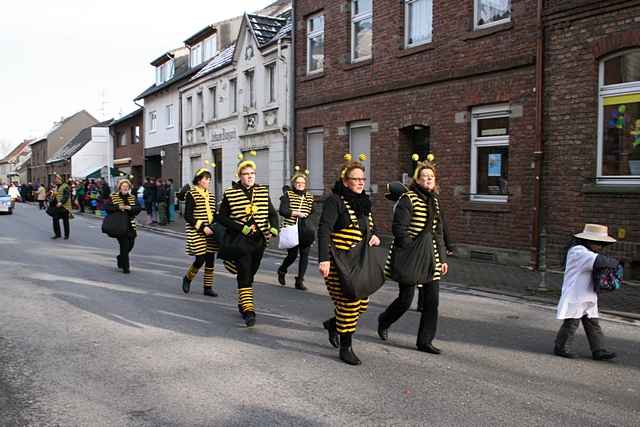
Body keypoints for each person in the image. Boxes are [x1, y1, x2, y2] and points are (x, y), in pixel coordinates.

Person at [378, 154, 449, 355]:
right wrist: (410, 249)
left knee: (431, 301)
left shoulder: (435, 201)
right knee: (405, 299)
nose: (428, 180)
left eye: (431, 177)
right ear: (416, 179)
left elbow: (438, 232)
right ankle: (384, 320)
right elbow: (399, 228)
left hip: (431, 257)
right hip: (410, 255)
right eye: (424, 176)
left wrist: (442, 258)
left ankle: (425, 341)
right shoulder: (407, 199)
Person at [318, 154, 381, 365]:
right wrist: (323, 260)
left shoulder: (364, 203)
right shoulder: (335, 201)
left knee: (362, 303)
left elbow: (370, 228)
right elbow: (324, 229)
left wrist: (373, 235)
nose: (361, 182)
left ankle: (333, 324)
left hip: (359, 261)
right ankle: (346, 347)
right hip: (339, 262)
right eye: (356, 179)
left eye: (363, 178)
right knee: (349, 303)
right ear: (346, 181)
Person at [217, 152, 279, 327]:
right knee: (244, 271)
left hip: (259, 240)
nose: (250, 177)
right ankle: (249, 311)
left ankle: (242, 301)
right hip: (240, 240)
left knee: (251, 272)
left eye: (252, 174)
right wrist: (241, 227)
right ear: (239, 176)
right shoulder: (230, 193)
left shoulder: (262, 191)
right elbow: (221, 218)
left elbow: (273, 215)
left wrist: (274, 228)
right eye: (246, 174)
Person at [554, 224, 619, 361]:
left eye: (603, 244)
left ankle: (599, 351)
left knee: (593, 324)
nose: (601, 247)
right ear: (588, 241)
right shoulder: (578, 251)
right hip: (575, 294)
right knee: (571, 323)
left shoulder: (587, 252)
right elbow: (602, 261)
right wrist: (617, 263)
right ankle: (561, 348)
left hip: (587, 294)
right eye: (599, 243)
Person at [181, 168, 219, 297]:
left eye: (209, 179)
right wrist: (202, 227)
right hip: (197, 230)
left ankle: (208, 287)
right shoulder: (191, 194)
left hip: (210, 231)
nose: (208, 181)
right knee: (200, 259)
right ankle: (187, 278)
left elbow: (213, 214)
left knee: (210, 260)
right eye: (206, 179)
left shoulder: (211, 196)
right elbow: (188, 216)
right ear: (198, 180)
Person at [277, 167, 315, 290]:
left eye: (303, 183)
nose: (300, 185)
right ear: (294, 183)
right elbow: (283, 211)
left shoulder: (309, 196)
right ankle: (282, 270)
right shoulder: (287, 195)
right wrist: (296, 213)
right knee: (292, 255)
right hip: (291, 228)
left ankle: (299, 280)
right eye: (298, 183)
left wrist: (306, 218)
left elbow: (312, 210)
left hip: (305, 229)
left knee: (305, 255)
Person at [104, 179, 141, 274]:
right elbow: (107, 208)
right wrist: (118, 207)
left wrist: (130, 208)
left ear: (129, 188)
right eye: (123, 186)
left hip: (130, 225)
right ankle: (126, 267)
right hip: (119, 225)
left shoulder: (132, 198)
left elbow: (138, 208)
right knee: (124, 245)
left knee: (131, 244)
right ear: (120, 187)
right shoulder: (114, 197)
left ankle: (121, 257)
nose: (125, 188)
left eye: (127, 186)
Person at [50, 174, 71, 240]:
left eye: (57, 178)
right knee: (55, 219)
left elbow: (66, 196)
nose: (55, 180)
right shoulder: (56, 187)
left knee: (65, 221)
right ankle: (57, 234)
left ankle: (66, 235)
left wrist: (61, 202)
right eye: (55, 179)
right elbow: (54, 195)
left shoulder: (65, 186)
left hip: (64, 206)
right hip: (56, 206)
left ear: (60, 179)